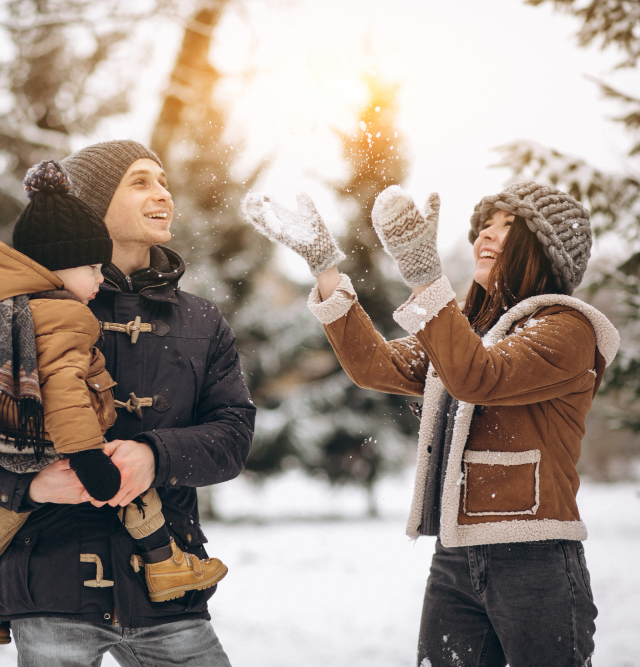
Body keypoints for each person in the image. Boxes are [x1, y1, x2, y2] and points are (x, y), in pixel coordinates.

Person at [241, 182, 617, 667]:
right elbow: (375, 365)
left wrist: (425, 278)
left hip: (533, 557)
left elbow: (477, 377)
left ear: (546, 252)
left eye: (508, 227)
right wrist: (326, 270)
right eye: (485, 226)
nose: (486, 235)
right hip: (454, 555)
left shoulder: (567, 329)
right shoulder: (470, 333)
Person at [0, 140, 255, 666]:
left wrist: (154, 456)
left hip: (169, 590)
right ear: (95, 204)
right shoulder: (20, 313)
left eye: (163, 181)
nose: (163, 194)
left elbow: (234, 435)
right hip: (47, 582)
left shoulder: (202, 320)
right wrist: (27, 484)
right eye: (140, 182)